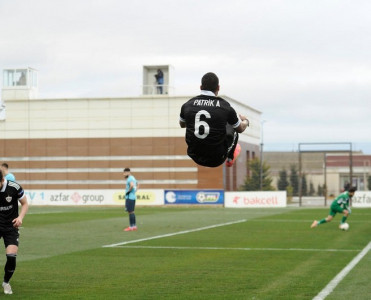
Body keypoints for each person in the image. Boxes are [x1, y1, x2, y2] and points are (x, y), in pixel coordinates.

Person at [179, 72, 249, 168]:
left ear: (200, 87)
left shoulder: (187, 105)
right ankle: (230, 157)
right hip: (217, 158)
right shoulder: (225, 107)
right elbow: (240, 129)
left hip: (194, 155)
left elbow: (182, 125)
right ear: (218, 88)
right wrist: (246, 121)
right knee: (234, 125)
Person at [0, 170, 28, 294]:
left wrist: (20, 217)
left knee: (11, 257)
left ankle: (6, 282)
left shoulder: (14, 187)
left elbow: (25, 203)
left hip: (11, 227)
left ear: (1, 181)